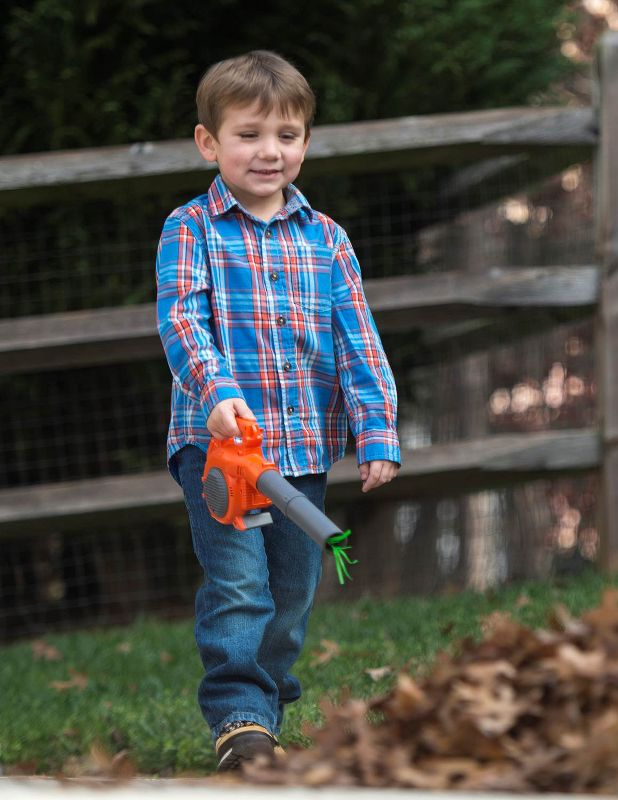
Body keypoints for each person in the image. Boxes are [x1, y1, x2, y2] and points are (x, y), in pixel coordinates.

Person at [155, 50, 401, 772]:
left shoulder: (327, 239)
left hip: (301, 450)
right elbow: (181, 319)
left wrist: (377, 429)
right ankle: (240, 719)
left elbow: (359, 340)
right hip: (220, 452)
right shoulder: (191, 228)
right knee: (239, 583)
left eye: (286, 136)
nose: (269, 151)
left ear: (305, 143)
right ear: (209, 143)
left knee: (292, 590)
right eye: (249, 134)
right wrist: (216, 391)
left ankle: (266, 707)